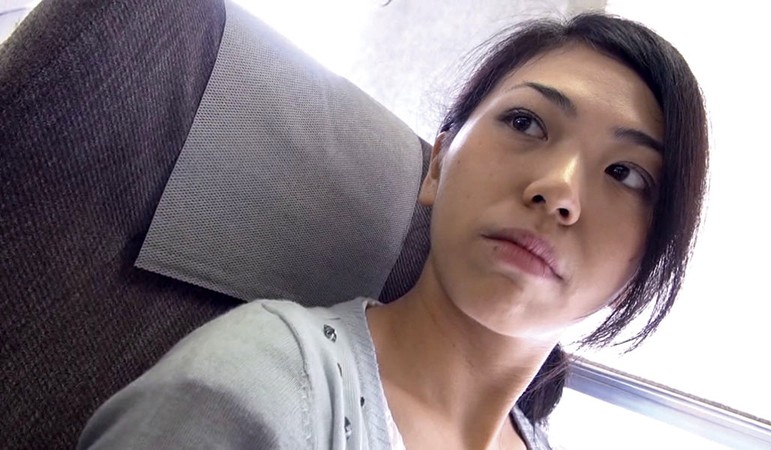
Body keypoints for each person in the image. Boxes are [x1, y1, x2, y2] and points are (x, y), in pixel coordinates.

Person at [78, 11, 707, 450]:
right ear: (437, 166)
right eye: (525, 122)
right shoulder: (258, 390)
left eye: (625, 173)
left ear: (641, 269)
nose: (559, 191)